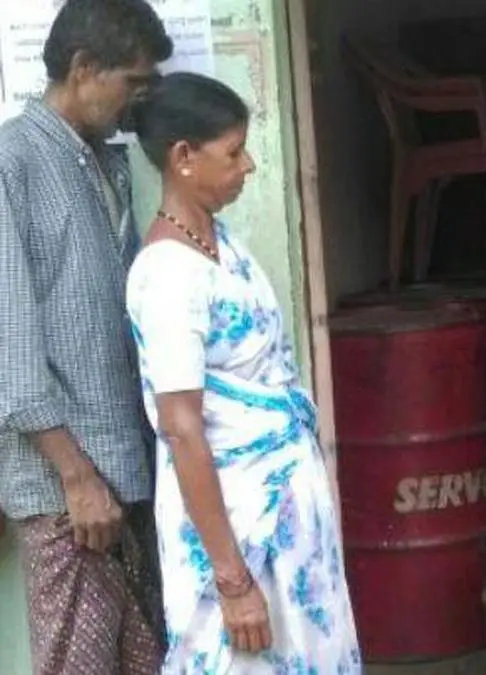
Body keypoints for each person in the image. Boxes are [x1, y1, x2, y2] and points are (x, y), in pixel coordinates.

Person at [125, 72, 361, 672]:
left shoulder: (218, 242)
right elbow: (182, 429)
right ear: (183, 157)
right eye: (233, 153)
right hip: (233, 534)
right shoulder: (168, 277)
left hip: (283, 512)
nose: (249, 165)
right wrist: (231, 582)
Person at [0, 0, 173, 672]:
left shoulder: (103, 161)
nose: (139, 99)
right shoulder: (13, 162)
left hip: (123, 477)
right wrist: (76, 478)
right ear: (83, 68)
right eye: (133, 82)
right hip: (67, 496)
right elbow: (11, 350)